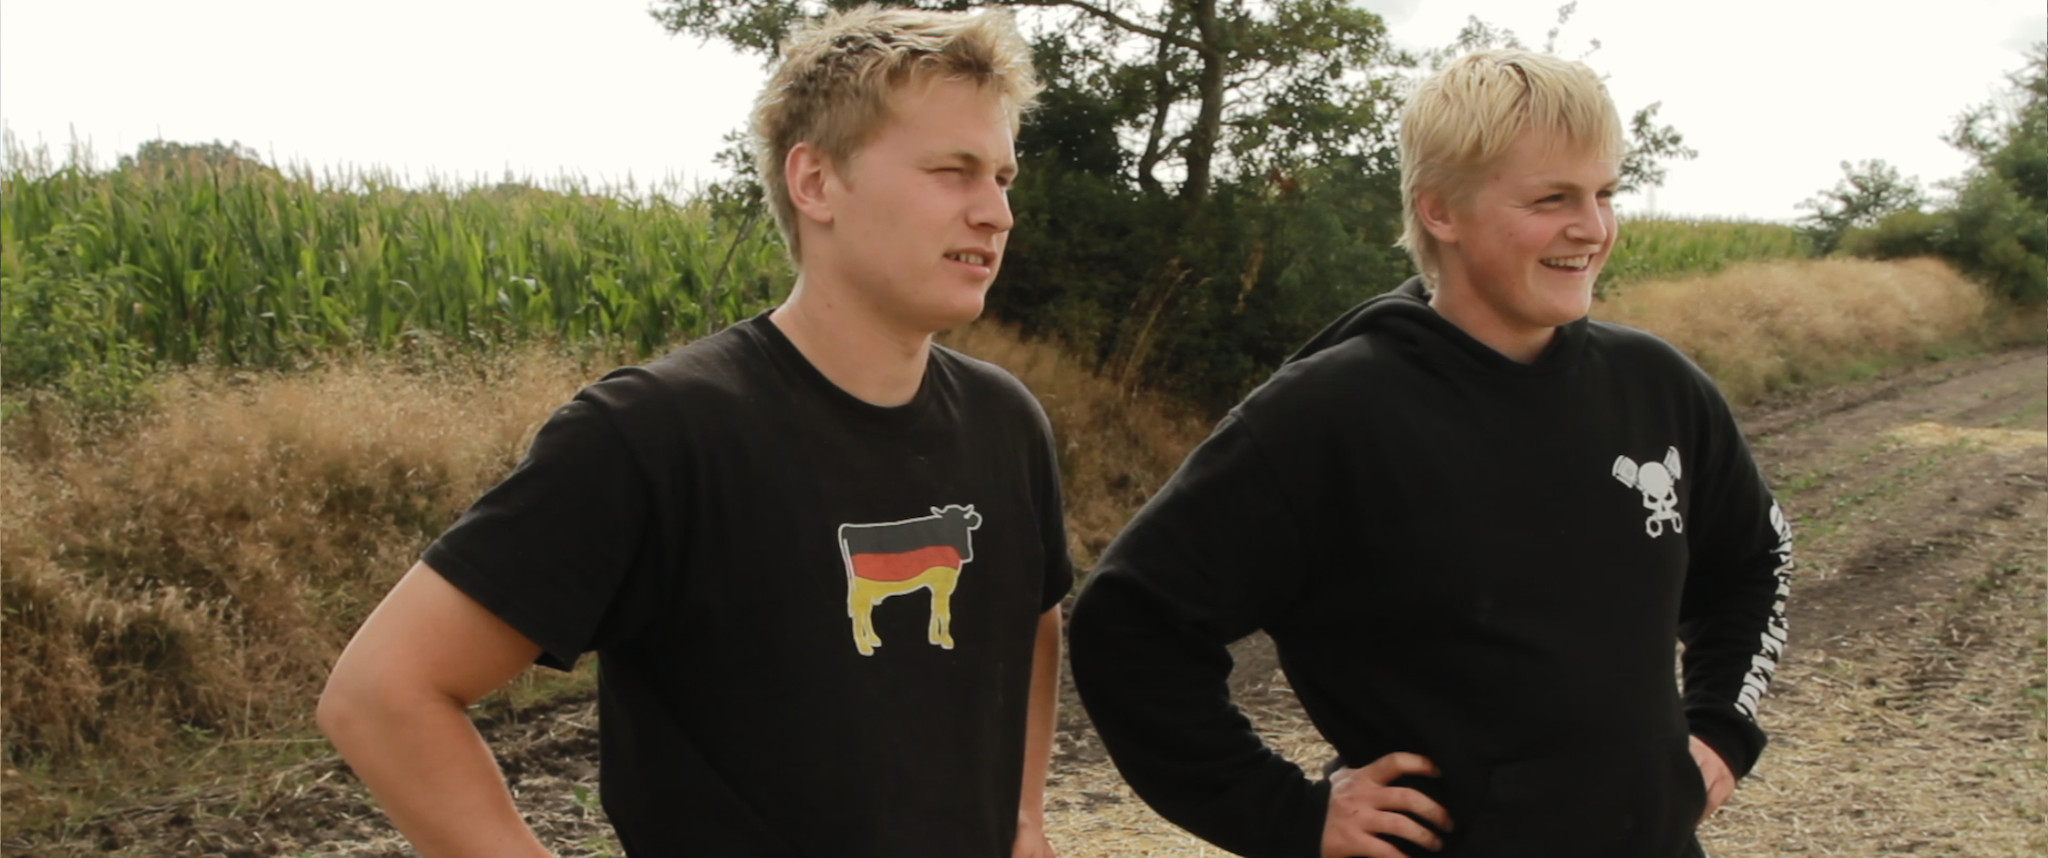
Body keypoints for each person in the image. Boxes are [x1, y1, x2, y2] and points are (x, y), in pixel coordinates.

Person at [318, 7, 1069, 857]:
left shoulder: (1007, 423)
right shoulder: (655, 434)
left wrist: (1023, 818)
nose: (997, 213)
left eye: (1002, 177)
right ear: (816, 182)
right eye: (953, 172)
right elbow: (383, 694)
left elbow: (1030, 619)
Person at [1067, 49, 1792, 858]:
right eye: (1552, 198)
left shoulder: (1656, 387)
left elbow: (1755, 557)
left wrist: (1722, 725)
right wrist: (1287, 813)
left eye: (1605, 193)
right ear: (1440, 210)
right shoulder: (1330, 413)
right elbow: (1129, 624)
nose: (1592, 228)